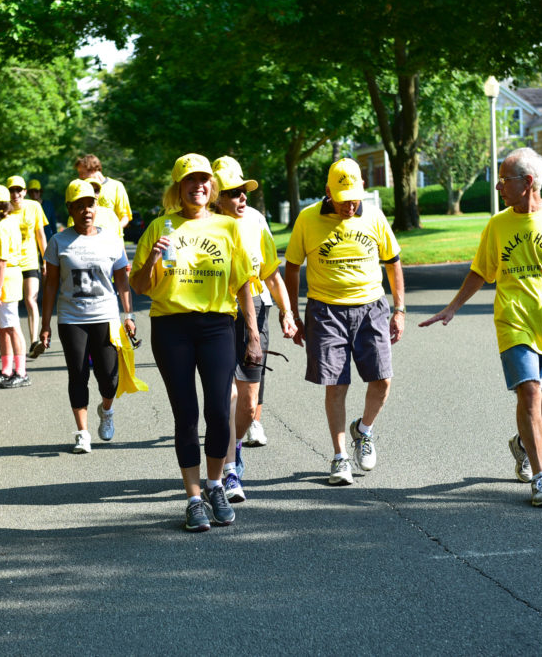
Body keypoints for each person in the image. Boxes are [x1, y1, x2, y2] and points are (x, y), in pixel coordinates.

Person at [419, 147, 542, 508]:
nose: (499, 186)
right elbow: (481, 271)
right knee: (530, 393)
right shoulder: (498, 224)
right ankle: (541, 477)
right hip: (513, 320)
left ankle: (521, 443)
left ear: (528, 182)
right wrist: (452, 307)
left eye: (505, 180)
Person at [131, 153, 262, 533]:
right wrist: (153, 257)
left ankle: (216, 484)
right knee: (186, 415)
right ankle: (192, 497)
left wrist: (253, 334)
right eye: (190, 181)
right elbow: (140, 287)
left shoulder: (228, 227)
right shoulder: (160, 226)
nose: (198, 186)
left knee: (219, 411)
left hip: (217, 325)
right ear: (178, 187)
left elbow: (242, 285)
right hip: (171, 327)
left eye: (204, 180)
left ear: (212, 187)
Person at [284, 158, 406, 486]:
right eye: (342, 199)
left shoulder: (374, 216)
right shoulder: (308, 219)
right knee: (337, 385)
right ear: (327, 192)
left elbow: (393, 262)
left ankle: (363, 431)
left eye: (354, 198)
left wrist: (399, 309)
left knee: (382, 380)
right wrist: (293, 313)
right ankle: (339, 457)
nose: (349, 205)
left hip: (371, 308)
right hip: (325, 310)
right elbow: (292, 266)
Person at [211, 156, 297, 502]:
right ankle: (229, 471)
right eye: (233, 193)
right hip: (217, 313)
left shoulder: (257, 220)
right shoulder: (205, 226)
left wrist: (287, 310)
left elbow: (272, 273)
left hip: (257, 311)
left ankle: (236, 445)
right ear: (217, 196)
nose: (242, 198)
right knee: (226, 396)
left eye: (244, 191)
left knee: (248, 404)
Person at [39, 179, 137, 454]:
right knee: (78, 374)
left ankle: (106, 409)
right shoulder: (59, 241)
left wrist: (128, 315)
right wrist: (45, 325)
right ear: (70, 209)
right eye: (79, 206)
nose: (86, 210)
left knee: (109, 378)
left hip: (106, 316)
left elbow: (122, 280)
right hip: (71, 318)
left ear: (97, 206)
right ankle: (82, 432)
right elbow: (50, 285)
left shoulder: (112, 238)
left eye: (90, 204)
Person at [0, 185, 29, 389]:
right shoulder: (8, 223)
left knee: (12, 328)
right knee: (3, 329)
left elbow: (1, 260)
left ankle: (20, 371)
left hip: (4, 281)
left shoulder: (1, 227)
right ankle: (7, 370)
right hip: (2, 279)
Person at [5, 176, 49, 358]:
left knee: (31, 299)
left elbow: (41, 235)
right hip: (11, 262)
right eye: (12, 190)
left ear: (24, 191)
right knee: (14, 304)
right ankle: (19, 344)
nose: (15, 194)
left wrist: (46, 261)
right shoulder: (4, 210)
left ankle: (33, 342)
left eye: (18, 190)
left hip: (30, 260)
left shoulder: (34, 207)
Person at [76, 154, 133, 234]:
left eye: (82, 173)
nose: (80, 176)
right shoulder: (84, 188)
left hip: (113, 240)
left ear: (92, 170)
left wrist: (114, 230)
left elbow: (125, 217)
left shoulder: (116, 186)